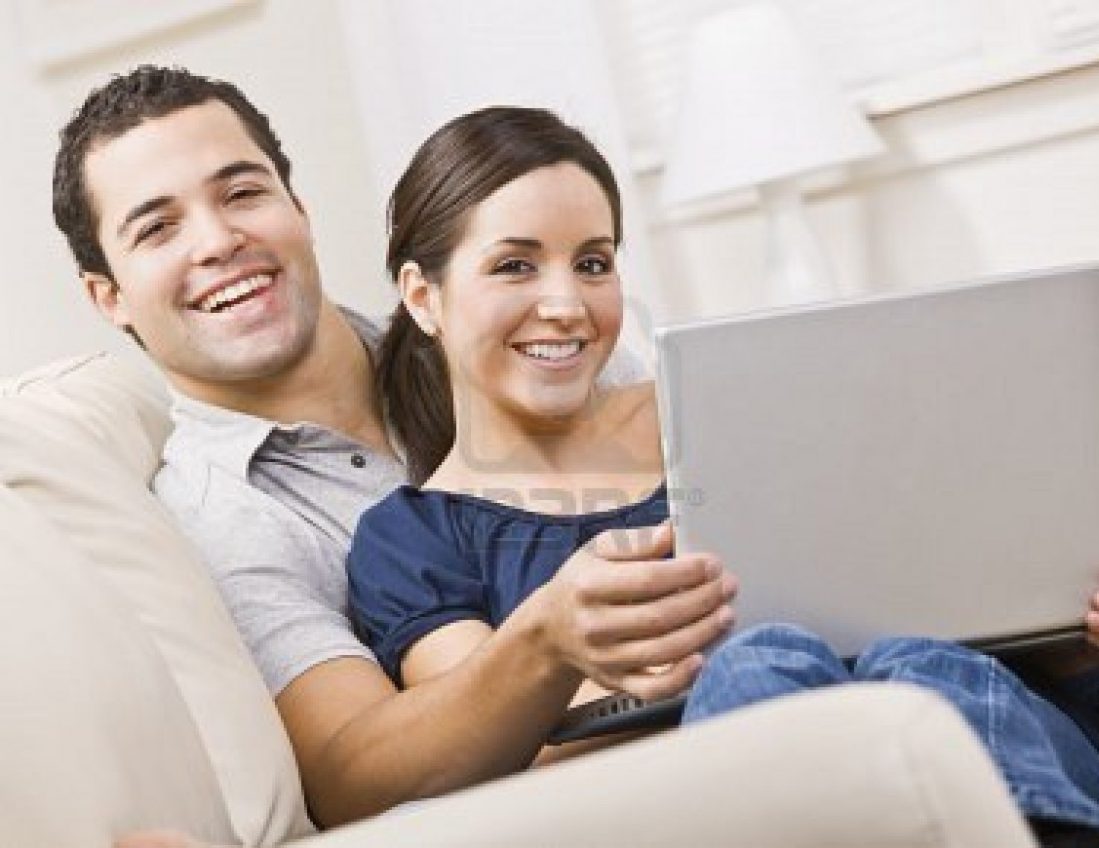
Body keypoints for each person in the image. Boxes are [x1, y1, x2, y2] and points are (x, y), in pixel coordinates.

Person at [344, 104, 1099, 848]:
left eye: (593, 263)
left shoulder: (741, 407)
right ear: (424, 297)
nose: (566, 303)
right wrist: (628, 663)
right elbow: (509, 754)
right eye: (515, 266)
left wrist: (1084, 604)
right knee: (762, 662)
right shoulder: (414, 538)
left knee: (914, 661)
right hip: (753, 781)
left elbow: (940, 579)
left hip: (975, 729)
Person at [51, 65, 734, 829]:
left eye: (243, 193)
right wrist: (545, 647)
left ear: (298, 208)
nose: (219, 241)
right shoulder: (222, 516)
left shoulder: (512, 330)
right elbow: (352, 775)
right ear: (108, 295)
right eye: (158, 227)